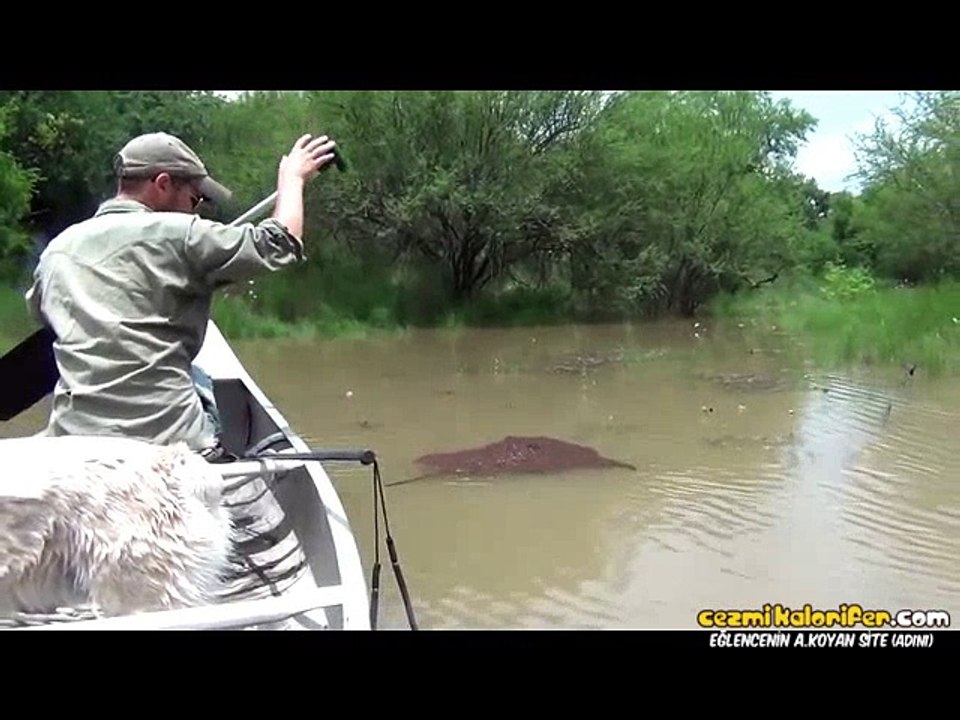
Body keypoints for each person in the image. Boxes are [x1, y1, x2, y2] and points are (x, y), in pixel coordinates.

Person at [24, 130, 338, 459]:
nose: (196, 210)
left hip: (75, 441)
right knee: (198, 376)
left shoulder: (57, 250)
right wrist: (292, 179)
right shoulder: (182, 233)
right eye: (194, 199)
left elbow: (41, 311)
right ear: (162, 184)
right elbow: (279, 243)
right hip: (169, 442)